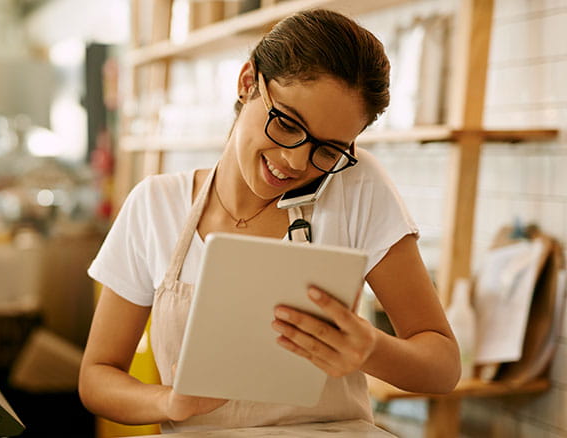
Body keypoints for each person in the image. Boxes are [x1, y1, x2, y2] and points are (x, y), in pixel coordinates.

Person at [79, 8, 460, 432]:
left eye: (328, 150)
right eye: (288, 124)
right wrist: (169, 401)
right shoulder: (155, 205)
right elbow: (97, 377)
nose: (296, 161)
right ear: (247, 83)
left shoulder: (356, 185)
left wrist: (371, 349)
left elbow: (443, 367)